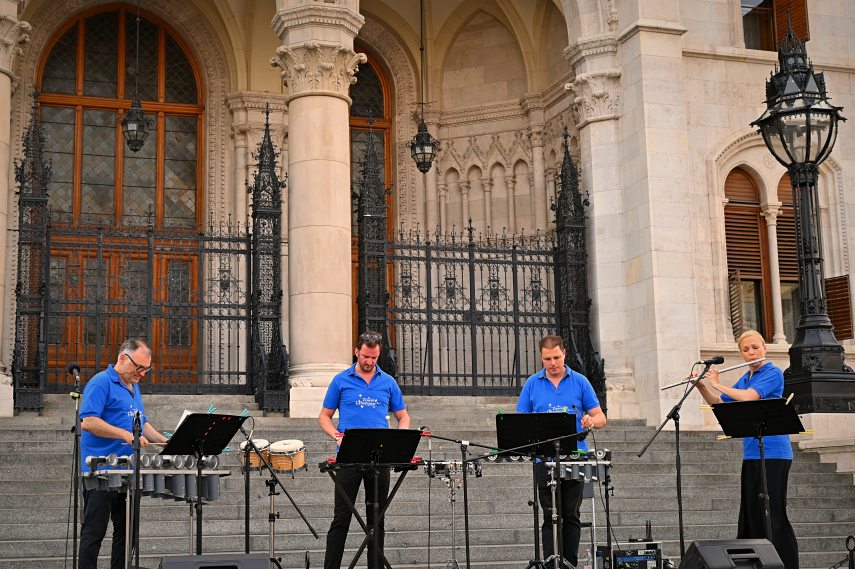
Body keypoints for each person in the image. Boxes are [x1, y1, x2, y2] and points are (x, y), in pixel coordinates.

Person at [695, 330, 799, 569]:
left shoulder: (772, 372)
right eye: (745, 350)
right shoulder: (746, 377)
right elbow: (721, 403)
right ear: (741, 354)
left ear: (764, 347)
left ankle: (786, 564)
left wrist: (718, 383)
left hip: (774, 454)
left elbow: (749, 398)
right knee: (751, 515)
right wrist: (702, 386)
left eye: (754, 347)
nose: (751, 352)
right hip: (752, 454)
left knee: (773, 516)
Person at [319, 332, 411, 569]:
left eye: (375, 357)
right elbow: (324, 416)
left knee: (376, 519)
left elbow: (403, 416)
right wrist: (336, 436)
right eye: (366, 356)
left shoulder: (388, 382)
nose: (370, 362)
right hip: (349, 457)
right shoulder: (341, 380)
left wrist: (399, 439)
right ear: (357, 351)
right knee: (342, 516)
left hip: (380, 458)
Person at [517, 335, 607, 566]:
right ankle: (550, 564)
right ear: (541, 357)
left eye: (556, 357)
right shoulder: (532, 384)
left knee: (570, 514)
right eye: (547, 359)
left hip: (575, 457)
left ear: (564, 354)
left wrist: (590, 420)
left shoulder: (580, 381)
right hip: (544, 460)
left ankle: (569, 563)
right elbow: (520, 422)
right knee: (549, 515)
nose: (553, 363)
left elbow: (601, 417)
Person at [78, 338, 168, 569]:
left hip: (127, 470)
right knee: (94, 532)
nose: (142, 374)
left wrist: (165, 441)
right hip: (99, 470)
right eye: (138, 368)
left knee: (127, 533)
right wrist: (125, 435)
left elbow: (141, 422)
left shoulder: (133, 386)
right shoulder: (101, 382)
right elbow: (88, 422)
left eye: (146, 369)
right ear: (122, 358)